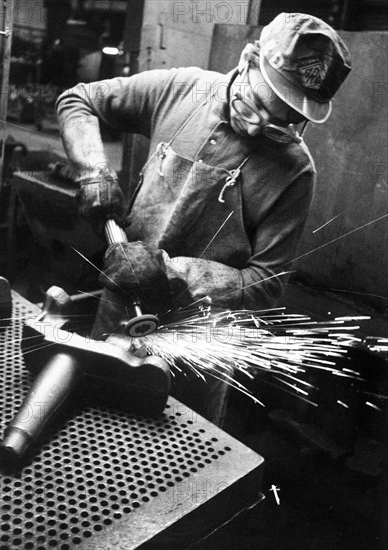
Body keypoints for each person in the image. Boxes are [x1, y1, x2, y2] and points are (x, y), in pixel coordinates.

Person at [56, 13, 351, 425]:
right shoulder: (181, 90)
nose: (266, 123)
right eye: (266, 103)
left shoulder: (295, 171)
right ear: (249, 60)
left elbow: (266, 285)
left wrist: (175, 274)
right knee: (93, 434)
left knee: (184, 463)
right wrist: (93, 172)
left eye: (286, 117)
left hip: (200, 345)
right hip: (120, 311)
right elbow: (79, 99)